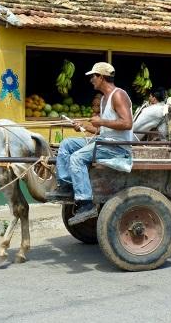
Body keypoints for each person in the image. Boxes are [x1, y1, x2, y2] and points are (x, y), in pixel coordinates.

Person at [46, 62, 133, 225]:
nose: (91, 79)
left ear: (101, 77)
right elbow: (103, 130)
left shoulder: (118, 95)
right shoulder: (103, 100)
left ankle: (86, 204)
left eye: (93, 76)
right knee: (67, 144)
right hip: (104, 142)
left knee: (77, 158)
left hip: (117, 148)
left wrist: (101, 121)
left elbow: (127, 123)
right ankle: (66, 185)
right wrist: (84, 127)